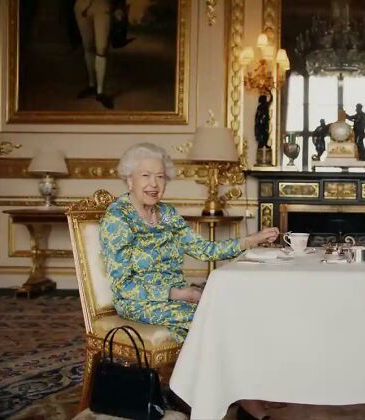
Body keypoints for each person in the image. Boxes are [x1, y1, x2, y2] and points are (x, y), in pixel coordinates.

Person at [99, 143, 278, 420]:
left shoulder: (167, 214)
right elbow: (123, 285)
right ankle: (240, 400)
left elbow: (205, 250)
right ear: (129, 179)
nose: (154, 184)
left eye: (160, 177)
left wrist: (249, 240)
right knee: (213, 319)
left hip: (178, 296)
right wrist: (179, 294)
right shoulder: (117, 218)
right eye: (146, 176)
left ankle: (203, 393)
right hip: (138, 300)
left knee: (230, 312)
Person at [74, 0, 114, 109]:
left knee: (101, 48)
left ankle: (100, 92)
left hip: (102, 5)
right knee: (88, 46)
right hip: (82, 6)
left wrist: (119, 7)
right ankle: (92, 84)